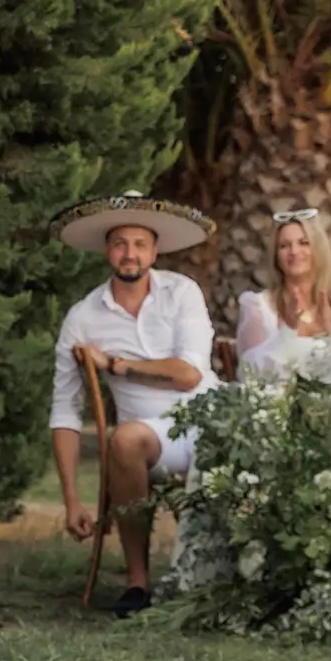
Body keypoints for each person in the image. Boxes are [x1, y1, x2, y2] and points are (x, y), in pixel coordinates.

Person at [48, 195, 218, 618]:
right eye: (120, 243)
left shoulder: (182, 292)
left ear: (154, 251)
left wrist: (117, 365)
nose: (130, 253)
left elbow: (190, 375)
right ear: (108, 250)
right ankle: (137, 583)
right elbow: (65, 411)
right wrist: (71, 500)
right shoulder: (83, 316)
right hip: (150, 435)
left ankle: (234, 580)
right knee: (124, 439)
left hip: (208, 417)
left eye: (140, 243)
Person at [234, 208, 331, 381]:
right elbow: (247, 374)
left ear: (318, 249)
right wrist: (287, 334)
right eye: (284, 246)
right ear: (276, 256)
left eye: (304, 243)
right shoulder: (258, 307)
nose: (294, 252)